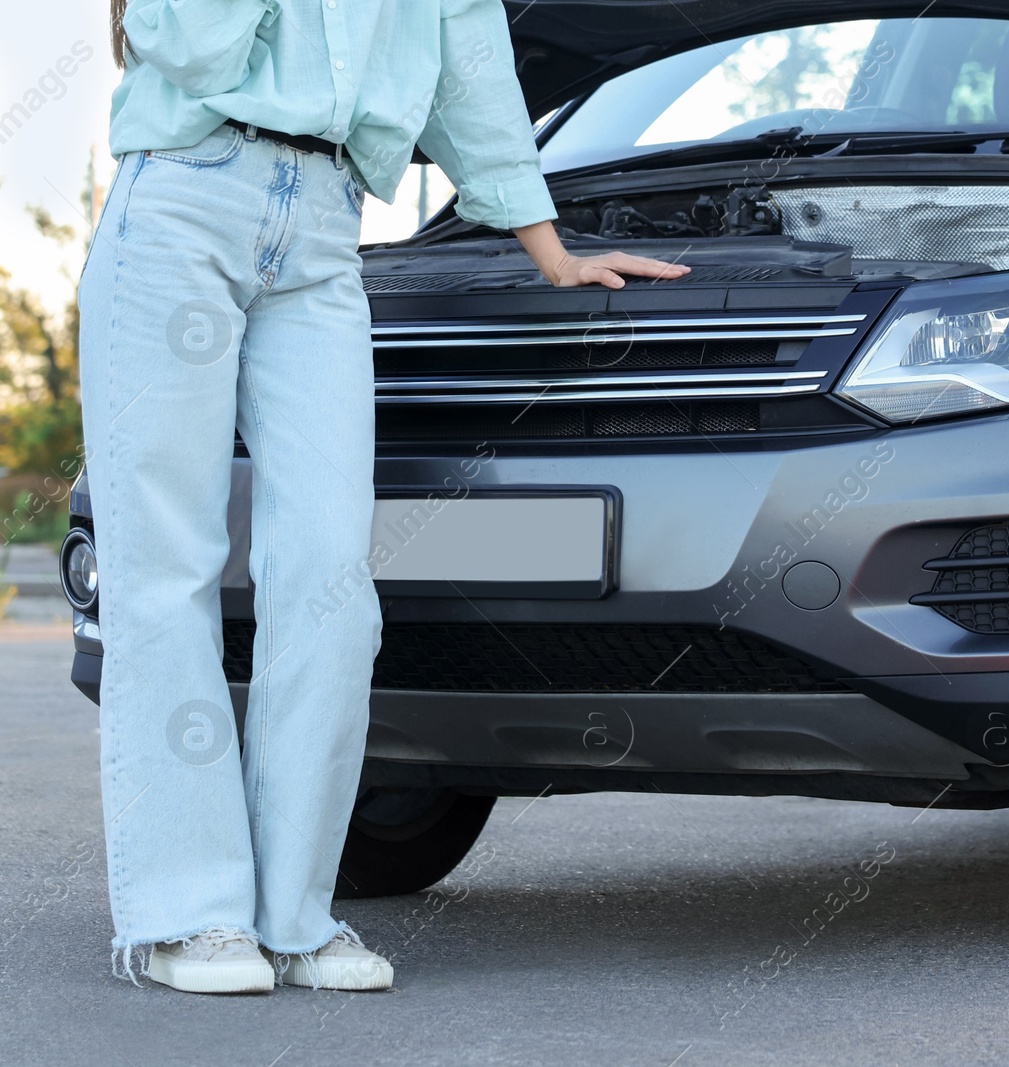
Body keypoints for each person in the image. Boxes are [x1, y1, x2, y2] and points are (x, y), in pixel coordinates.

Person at [83, 0, 688, 994]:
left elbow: (469, 71)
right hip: (181, 205)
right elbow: (191, 44)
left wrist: (550, 248)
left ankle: (295, 915)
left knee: (329, 579)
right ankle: (186, 913)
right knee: (165, 572)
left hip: (323, 227)